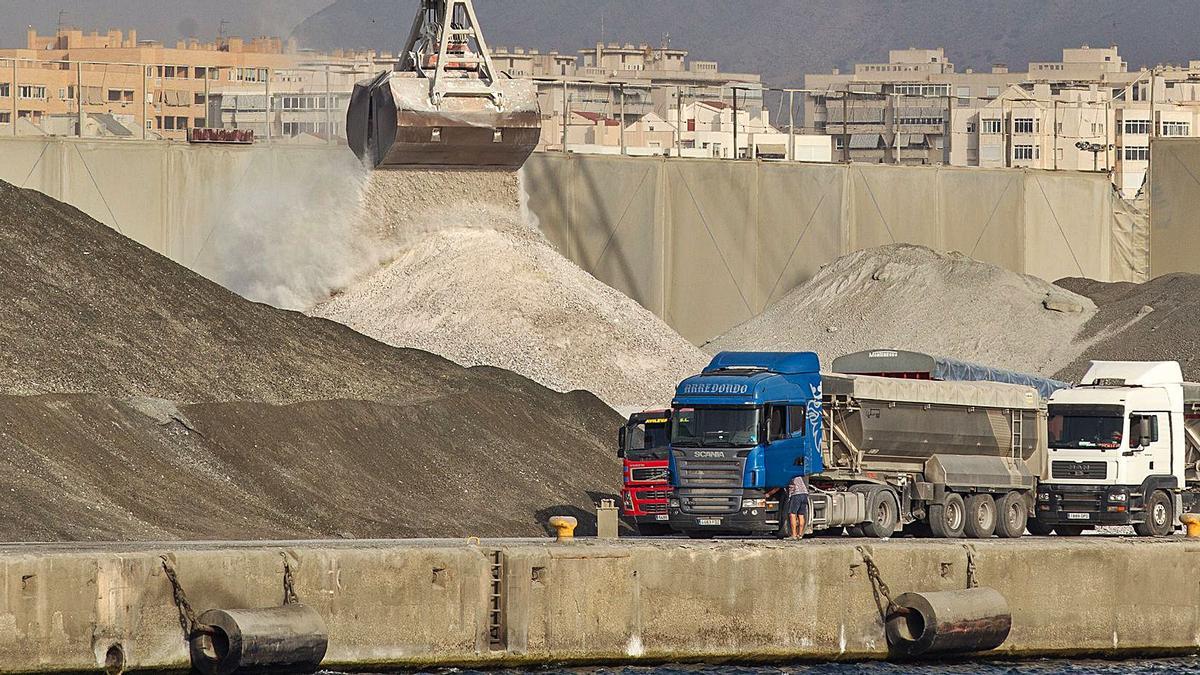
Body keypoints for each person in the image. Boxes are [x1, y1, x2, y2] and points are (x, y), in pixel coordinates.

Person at [769, 473, 809, 540]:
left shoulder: (786, 475)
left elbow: (778, 487)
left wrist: (769, 494)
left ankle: (793, 535)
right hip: (804, 494)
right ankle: (800, 535)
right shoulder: (797, 474)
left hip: (796, 494)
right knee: (801, 515)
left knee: (792, 514)